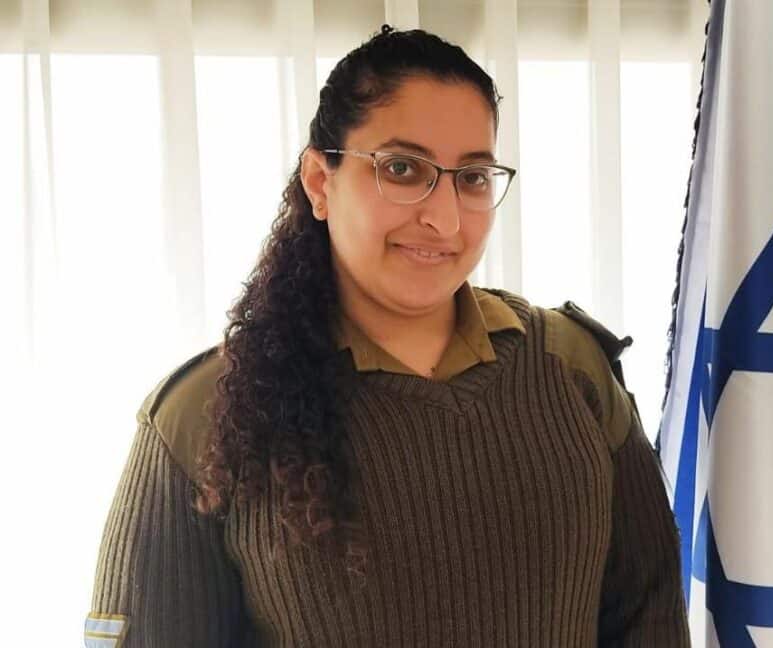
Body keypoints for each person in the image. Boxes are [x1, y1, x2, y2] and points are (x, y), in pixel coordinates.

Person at [85, 23, 690, 647]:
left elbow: (652, 620)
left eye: (473, 177)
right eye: (402, 169)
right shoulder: (207, 412)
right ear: (320, 181)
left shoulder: (571, 366)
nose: (444, 218)